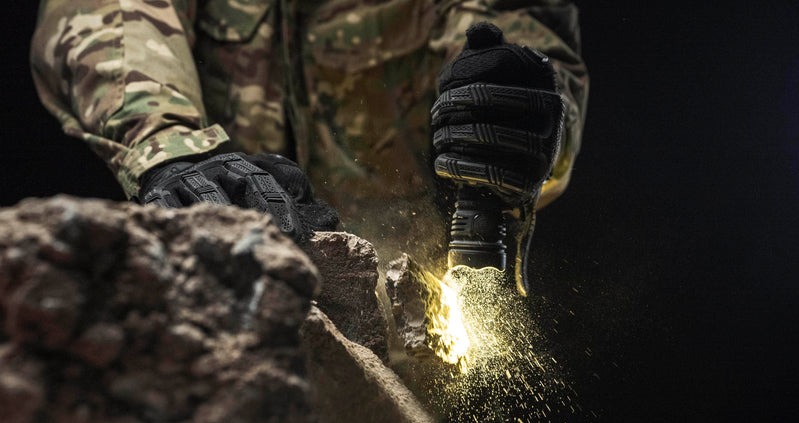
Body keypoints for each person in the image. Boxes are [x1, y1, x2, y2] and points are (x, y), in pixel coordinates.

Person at [31, 0, 588, 286]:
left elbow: (514, 28)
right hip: (228, 300)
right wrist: (168, 144)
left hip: (423, 326)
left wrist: (520, 110)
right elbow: (108, 16)